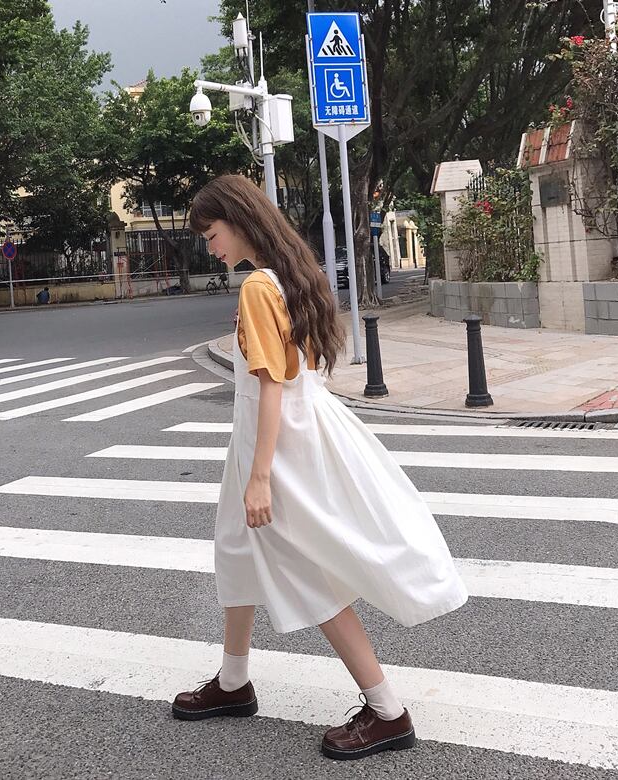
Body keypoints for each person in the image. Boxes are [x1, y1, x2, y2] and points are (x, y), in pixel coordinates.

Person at [172, 175, 468, 761]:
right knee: (235, 548)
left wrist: (261, 476)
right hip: (294, 430)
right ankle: (233, 681)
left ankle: (387, 710)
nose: (210, 248)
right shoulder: (292, 273)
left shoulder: (259, 287)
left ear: (238, 221)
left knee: (306, 569)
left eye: (211, 234)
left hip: (276, 442)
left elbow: (271, 385)